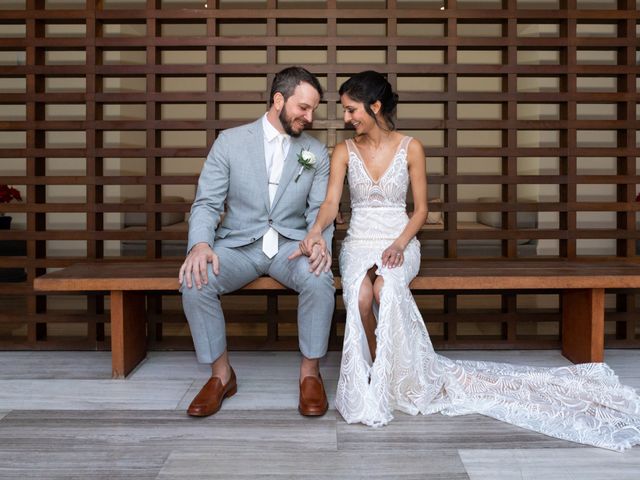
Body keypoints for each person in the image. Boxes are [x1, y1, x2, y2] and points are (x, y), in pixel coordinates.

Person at [298, 70, 640, 451]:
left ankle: (395, 375)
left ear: (375, 107)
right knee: (360, 297)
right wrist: (315, 231)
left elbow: (421, 210)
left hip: (401, 238)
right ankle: (378, 368)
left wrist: (399, 244)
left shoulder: (411, 147)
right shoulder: (343, 150)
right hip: (359, 239)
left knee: (387, 290)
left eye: (350, 110)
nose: (346, 118)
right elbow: (331, 204)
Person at [179, 66, 335, 418]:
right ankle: (221, 376)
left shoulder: (316, 153)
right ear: (278, 99)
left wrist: (319, 242)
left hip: (290, 246)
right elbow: (206, 203)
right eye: (303, 108)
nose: (309, 117)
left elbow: (319, 210)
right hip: (237, 246)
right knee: (194, 279)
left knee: (318, 277)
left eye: (313, 109)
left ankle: (310, 374)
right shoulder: (230, 142)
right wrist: (200, 244)